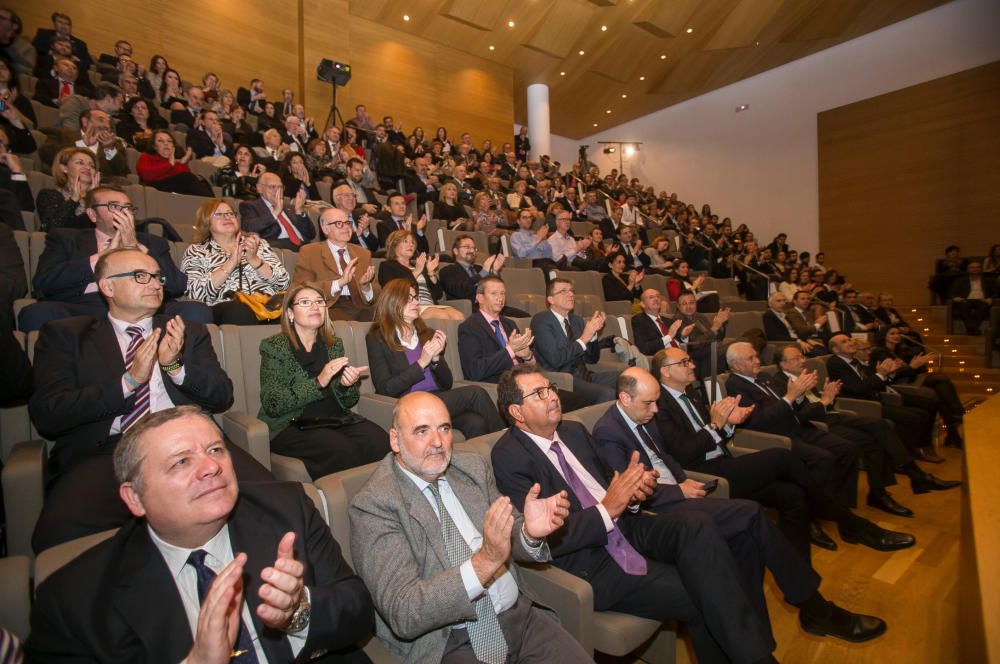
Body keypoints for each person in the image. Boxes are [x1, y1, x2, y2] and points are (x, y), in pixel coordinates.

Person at [26, 406, 375, 662]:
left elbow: (358, 613)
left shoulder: (287, 510)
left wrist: (300, 612)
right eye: (181, 461)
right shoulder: (71, 601)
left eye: (215, 450)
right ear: (135, 497)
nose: (212, 467)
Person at [492, 365, 785, 663]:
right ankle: (758, 658)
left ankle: (754, 653)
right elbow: (546, 537)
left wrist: (634, 491)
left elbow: (614, 483)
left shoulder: (574, 430)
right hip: (591, 561)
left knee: (698, 524)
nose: (552, 396)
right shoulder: (508, 455)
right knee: (701, 593)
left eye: (551, 388)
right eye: (539, 393)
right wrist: (608, 509)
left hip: (628, 527)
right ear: (517, 411)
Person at [590, 367, 890, 642]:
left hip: (682, 489)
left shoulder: (642, 415)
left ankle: (758, 635)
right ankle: (815, 607)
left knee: (749, 538)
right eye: (648, 404)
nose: (655, 409)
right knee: (750, 512)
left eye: (657, 402)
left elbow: (667, 459)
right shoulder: (608, 431)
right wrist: (677, 491)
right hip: (656, 510)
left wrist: (685, 481)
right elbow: (630, 491)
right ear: (625, 397)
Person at [26, 247, 253, 552]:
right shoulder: (66, 335)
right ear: (107, 286)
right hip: (107, 455)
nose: (156, 284)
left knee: (277, 500)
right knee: (62, 539)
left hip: (193, 444)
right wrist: (128, 381)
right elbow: (49, 415)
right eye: (140, 276)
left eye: (158, 277)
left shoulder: (187, 331)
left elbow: (222, 396)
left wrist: (175, 368)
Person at [348, 391, 592, 663]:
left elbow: (507, 534)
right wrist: (484, 563)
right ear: (395, 439)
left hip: (520, 619)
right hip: (451, 642)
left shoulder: (470, 468)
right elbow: (405, 612)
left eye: (444, 428)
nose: (438, 442)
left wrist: (527, 533)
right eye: (421, 431)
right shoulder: (375, 505)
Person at [775, 345, 959, 499]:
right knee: (870, 442)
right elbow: (798, 414)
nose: (803, 360)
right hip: (818, 423)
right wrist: (824, 401)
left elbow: (815, 401)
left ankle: (912, 474)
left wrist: (827, 396)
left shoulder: (804, 375)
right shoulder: (779, 382)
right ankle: (883, 491)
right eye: (796, 358)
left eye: (802, 356)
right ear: (783, 363)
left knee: (881, 425)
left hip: (830, 413)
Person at [20, 185, 211, 332]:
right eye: (113, 206)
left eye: (127, 207)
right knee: (37, 313)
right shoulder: (66, 238)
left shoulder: (153, 243)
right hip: (87, 306)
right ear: (92, 214)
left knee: (196, 311)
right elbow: (44, 282)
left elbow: (177, 285)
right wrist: (100, 259)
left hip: (146, 309)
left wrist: (136, 248)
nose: (123, 212)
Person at [724, 342, 875, 519]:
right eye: (751, 358)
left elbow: (792, 406)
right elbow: (758, 421)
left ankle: (839, 506)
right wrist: (790, 396)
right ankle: (813, 514)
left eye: (756, 356)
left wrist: (800, 394)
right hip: (777, 437)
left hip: (798, 426)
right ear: (735, 365)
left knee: (848, 449)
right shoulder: (735, 385)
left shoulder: (764, 376)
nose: (758, 360)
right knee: (822, 459)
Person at [258, 284, 389, 478]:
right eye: (305, 302)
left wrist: (346, 385)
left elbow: (348, 401)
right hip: (292, 423)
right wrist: (319, 381)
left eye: (319, 302)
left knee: (380, 441)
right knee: (342, 450)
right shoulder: (274, 347)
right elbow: (273, 403)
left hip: (333, 417)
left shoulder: (334, 345)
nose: (315, 306)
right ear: (290, 313)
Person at [366, 279, 505, 439]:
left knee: (475, 422)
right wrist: (421, 363)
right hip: (410, 403)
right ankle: (506, 440)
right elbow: (386, 388)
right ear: (393, 301)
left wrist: (436, 359)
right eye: (409, 298)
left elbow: (447, 383)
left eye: (416, 297)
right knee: (476, 393)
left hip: (437, 397)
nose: (416, 302)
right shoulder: (377, 337)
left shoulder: (427, 333)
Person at [826, 334, 943, 464]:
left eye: (849, 339)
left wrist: (887, 374)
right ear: (835, 350)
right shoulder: (836, 364)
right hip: (864, 405)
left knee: (923, 411)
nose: (850, 342)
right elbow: (857, 389)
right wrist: (881, 374)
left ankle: (912, 451)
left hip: (877, 398)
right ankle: (904, 458)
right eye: (844, 342)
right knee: (913, 417)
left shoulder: (854, 361)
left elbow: (874, 383)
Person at [181, 199, 289, 325]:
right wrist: (230, 263)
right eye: (219, 214)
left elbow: (284, 282)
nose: (227, 217)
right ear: (206, 222)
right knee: (238, 310)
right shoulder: (197, 251)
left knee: (295, 307)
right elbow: (194, 293)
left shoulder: (258, 244)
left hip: (267, 307)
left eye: (230, 213)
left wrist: (254, 260)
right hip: (227, 308)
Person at [531, 278, 621, 403]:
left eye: (572, 291)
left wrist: (593, 335)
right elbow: (555, 360)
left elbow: (592, 359)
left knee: (629, 378)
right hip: (563, 380)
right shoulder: (541, 321)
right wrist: (584, 338)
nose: (571, 294)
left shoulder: (576, 320)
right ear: (551, 299)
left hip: (586, 375)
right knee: (607, 393)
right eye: (563, 291)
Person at [293, 206, 377, 322]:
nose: (346, 227)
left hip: (362, 304)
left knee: (390, 318)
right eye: (339, 223)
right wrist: (339, 283)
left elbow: (377, 291)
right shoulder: (309, 252)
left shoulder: (363, 253)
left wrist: (366, 287)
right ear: (325, 229)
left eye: (347, 223)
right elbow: (301, 288)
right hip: (331, 306)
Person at [379, 229, 464, 321]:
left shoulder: (419, 266)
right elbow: (394, 290)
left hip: (431, 305)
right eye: (406, 241)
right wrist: (417, 271)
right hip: (409, 306)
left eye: (412, 242)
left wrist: (431, 273)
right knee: (443, 316)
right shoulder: (387, 266)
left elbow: (438, 294)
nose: (411, 245)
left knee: (459, 316)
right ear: (394, 245)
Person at [439, 234, 529, 317]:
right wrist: (484, 272)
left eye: (474, 248)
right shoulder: (447, 270)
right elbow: (460, 291)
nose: (471, 250)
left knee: (526, 317)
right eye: (467, 247)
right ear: (455, 251)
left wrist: (495, 271)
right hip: (470, 309)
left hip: (493, 306)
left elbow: (498, 289)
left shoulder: (479, 268)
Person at [239, 172, 316, 251]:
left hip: (304, 247)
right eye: (272, 187)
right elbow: (248, 227)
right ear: (259, 188)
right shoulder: (250, 206)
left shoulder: (290, 207)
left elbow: (311, 234)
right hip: (279, 247)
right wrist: (276, 212)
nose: (277, 191)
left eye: (280, 187)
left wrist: (300, 212)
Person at [35, 146, 98, 232]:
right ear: (64, 168)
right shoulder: (48, 195)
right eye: (80, 163)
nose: (88, 167)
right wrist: (74, 199)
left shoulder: (101, 199)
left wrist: (93, 199)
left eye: (92, 165)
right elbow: (53, 228)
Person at [137, 130, 213, 196]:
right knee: (187, 178)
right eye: (160, 141)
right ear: (154, 146)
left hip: (179, 192)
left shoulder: (177, 162)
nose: (166, 144)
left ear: (173, 146)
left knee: (202, 181)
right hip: (158, 190)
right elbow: (146, 176)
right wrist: (169, 164)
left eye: (169, 141)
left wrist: (181, 163)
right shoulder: (146, 157)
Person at [763, 292, 827, 357]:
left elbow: (795, 331)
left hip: (797, 341)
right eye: (778, 301)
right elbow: (775, 337)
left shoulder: (784, 315)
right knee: (821, 353)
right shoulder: (769, 316)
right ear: (770, 304)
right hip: (788, 345)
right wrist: (798, 341)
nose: (782, 303)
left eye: (784, 300)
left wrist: (806, 340)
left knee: (825, 349)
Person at [947, 260, 995, 335]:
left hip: (982, 300)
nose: (975, 269)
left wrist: (991, 298)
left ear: (981, 269)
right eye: (973, 267)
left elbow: (995, 292)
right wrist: (955, 297)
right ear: (968, 269)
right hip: (966, 300)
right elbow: (952, 292)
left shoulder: (988, 280)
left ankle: (970, 329)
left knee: (984, 306)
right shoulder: (960, 280)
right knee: (962, 306)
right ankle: (974, 329)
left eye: (977, 267)